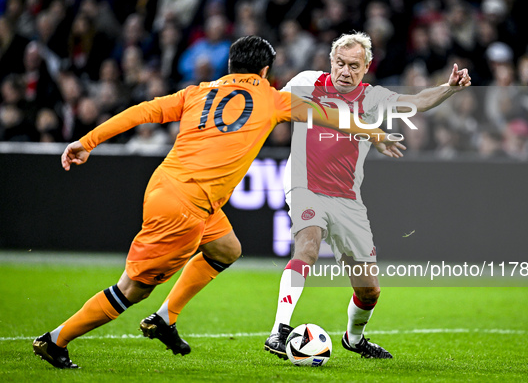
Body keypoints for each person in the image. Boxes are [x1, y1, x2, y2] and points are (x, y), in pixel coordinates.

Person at [32, 35, 405, 369]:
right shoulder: (273, 99)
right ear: (264, 70)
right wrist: (376, 134)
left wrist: (88, 141)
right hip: (186, 208)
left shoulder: (197, 92)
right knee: (133, 288)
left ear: (230, 66)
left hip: (167, 187)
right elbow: (332, 116)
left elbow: (142, 111)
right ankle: (56, 340)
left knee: (226, 249)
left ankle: (165, 319)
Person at [264, 32, 471, 359]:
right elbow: (269, 106)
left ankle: (355, 338)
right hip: (303, 183)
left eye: (353, 66)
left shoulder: (373, 98)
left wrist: (449, 89)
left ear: (366, 68)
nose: (345, 72)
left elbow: (416, 102)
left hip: (346, 197)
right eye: (340, 64)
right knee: (308, 246)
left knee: (369, 289)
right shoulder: (306, 82)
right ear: (331, 60)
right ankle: (279, 330)